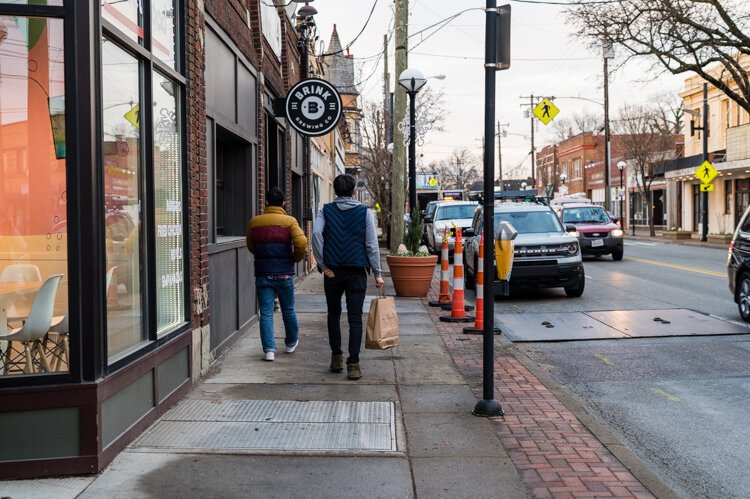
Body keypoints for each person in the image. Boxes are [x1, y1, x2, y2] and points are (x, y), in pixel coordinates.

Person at [312, 174, 384, 380]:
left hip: (333, 271)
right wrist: (378, 273)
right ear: (354, 191)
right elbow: (371, 245)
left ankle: (336, 357)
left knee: (333, 314)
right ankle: (353, 364)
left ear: (335, 191)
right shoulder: (364, 213)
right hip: (356, 272)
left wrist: (322, 264)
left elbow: (316, 235)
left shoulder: (324, 210)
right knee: (355, 318)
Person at [246, 187, 308, 361]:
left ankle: (269, 350)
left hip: (264, 273)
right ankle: (290, 344)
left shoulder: (255, 222)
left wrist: (263, 255)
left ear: (266, 202)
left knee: (265, 312)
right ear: (284, 203)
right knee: (288, 309)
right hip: (284, 273)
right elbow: (302, 242)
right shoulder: (289, 221)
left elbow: (252, 246)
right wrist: (295, 258)